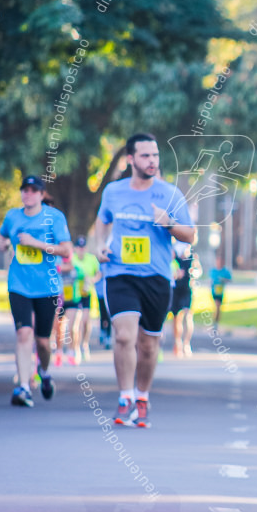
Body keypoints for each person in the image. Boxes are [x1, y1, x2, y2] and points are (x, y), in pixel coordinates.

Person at [95, 133, 195, 428]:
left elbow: (190, 235)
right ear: (130, 159)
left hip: (156, 276)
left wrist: (169, 223)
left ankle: (142, 396)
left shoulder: (170, 194)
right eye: (145, 156)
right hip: (120, 273)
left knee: (149, 345)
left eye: (155, 156)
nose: (152, 161)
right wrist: (100, 245)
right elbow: (103, 220)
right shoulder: (113, 191)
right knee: (124, 336)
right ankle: (125, 396)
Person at [0, 175, 73, 406]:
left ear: (41, 194)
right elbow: (2, 237)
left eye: (33, 190)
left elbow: (66, 250)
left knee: (42, 341)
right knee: (23, 334)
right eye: (24, 190)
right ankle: (23, 387)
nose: (27, 193)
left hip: (47, 287)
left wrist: (36, 243)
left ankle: (44, 371)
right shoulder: (12, 216)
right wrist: (4, 244)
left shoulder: (54, 218)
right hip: (19, 284)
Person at [71, 236, 101, 361]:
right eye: (79, 247)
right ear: (75, 248)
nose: (81, 250)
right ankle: (75, 347)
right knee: (75, 323)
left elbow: (98, 273)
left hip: (87, 293)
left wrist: (92, 280)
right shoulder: (72, 259)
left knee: (85, 320)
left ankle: (85, 343)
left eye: (83, 248)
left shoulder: (92, 259)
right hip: (75, 294)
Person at [169, 241, 200, 356]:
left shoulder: (192, 258)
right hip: (176, 289)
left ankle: (186, 343)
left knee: (187, 316)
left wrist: (193, 273)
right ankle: (177, 342)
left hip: (188, 289)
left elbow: (198, 271)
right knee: (177, 317)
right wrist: (175, 274)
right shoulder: (174, 258)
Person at [210, 252, 232, 330]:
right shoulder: (213, 271)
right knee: (217, 306)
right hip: (214, 291)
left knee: (218, 308)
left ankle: (216, 323)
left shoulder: (225, 271)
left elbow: (230, 280)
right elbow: (210, 280)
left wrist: (224, 280)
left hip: (220, 292)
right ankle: (215, 323)